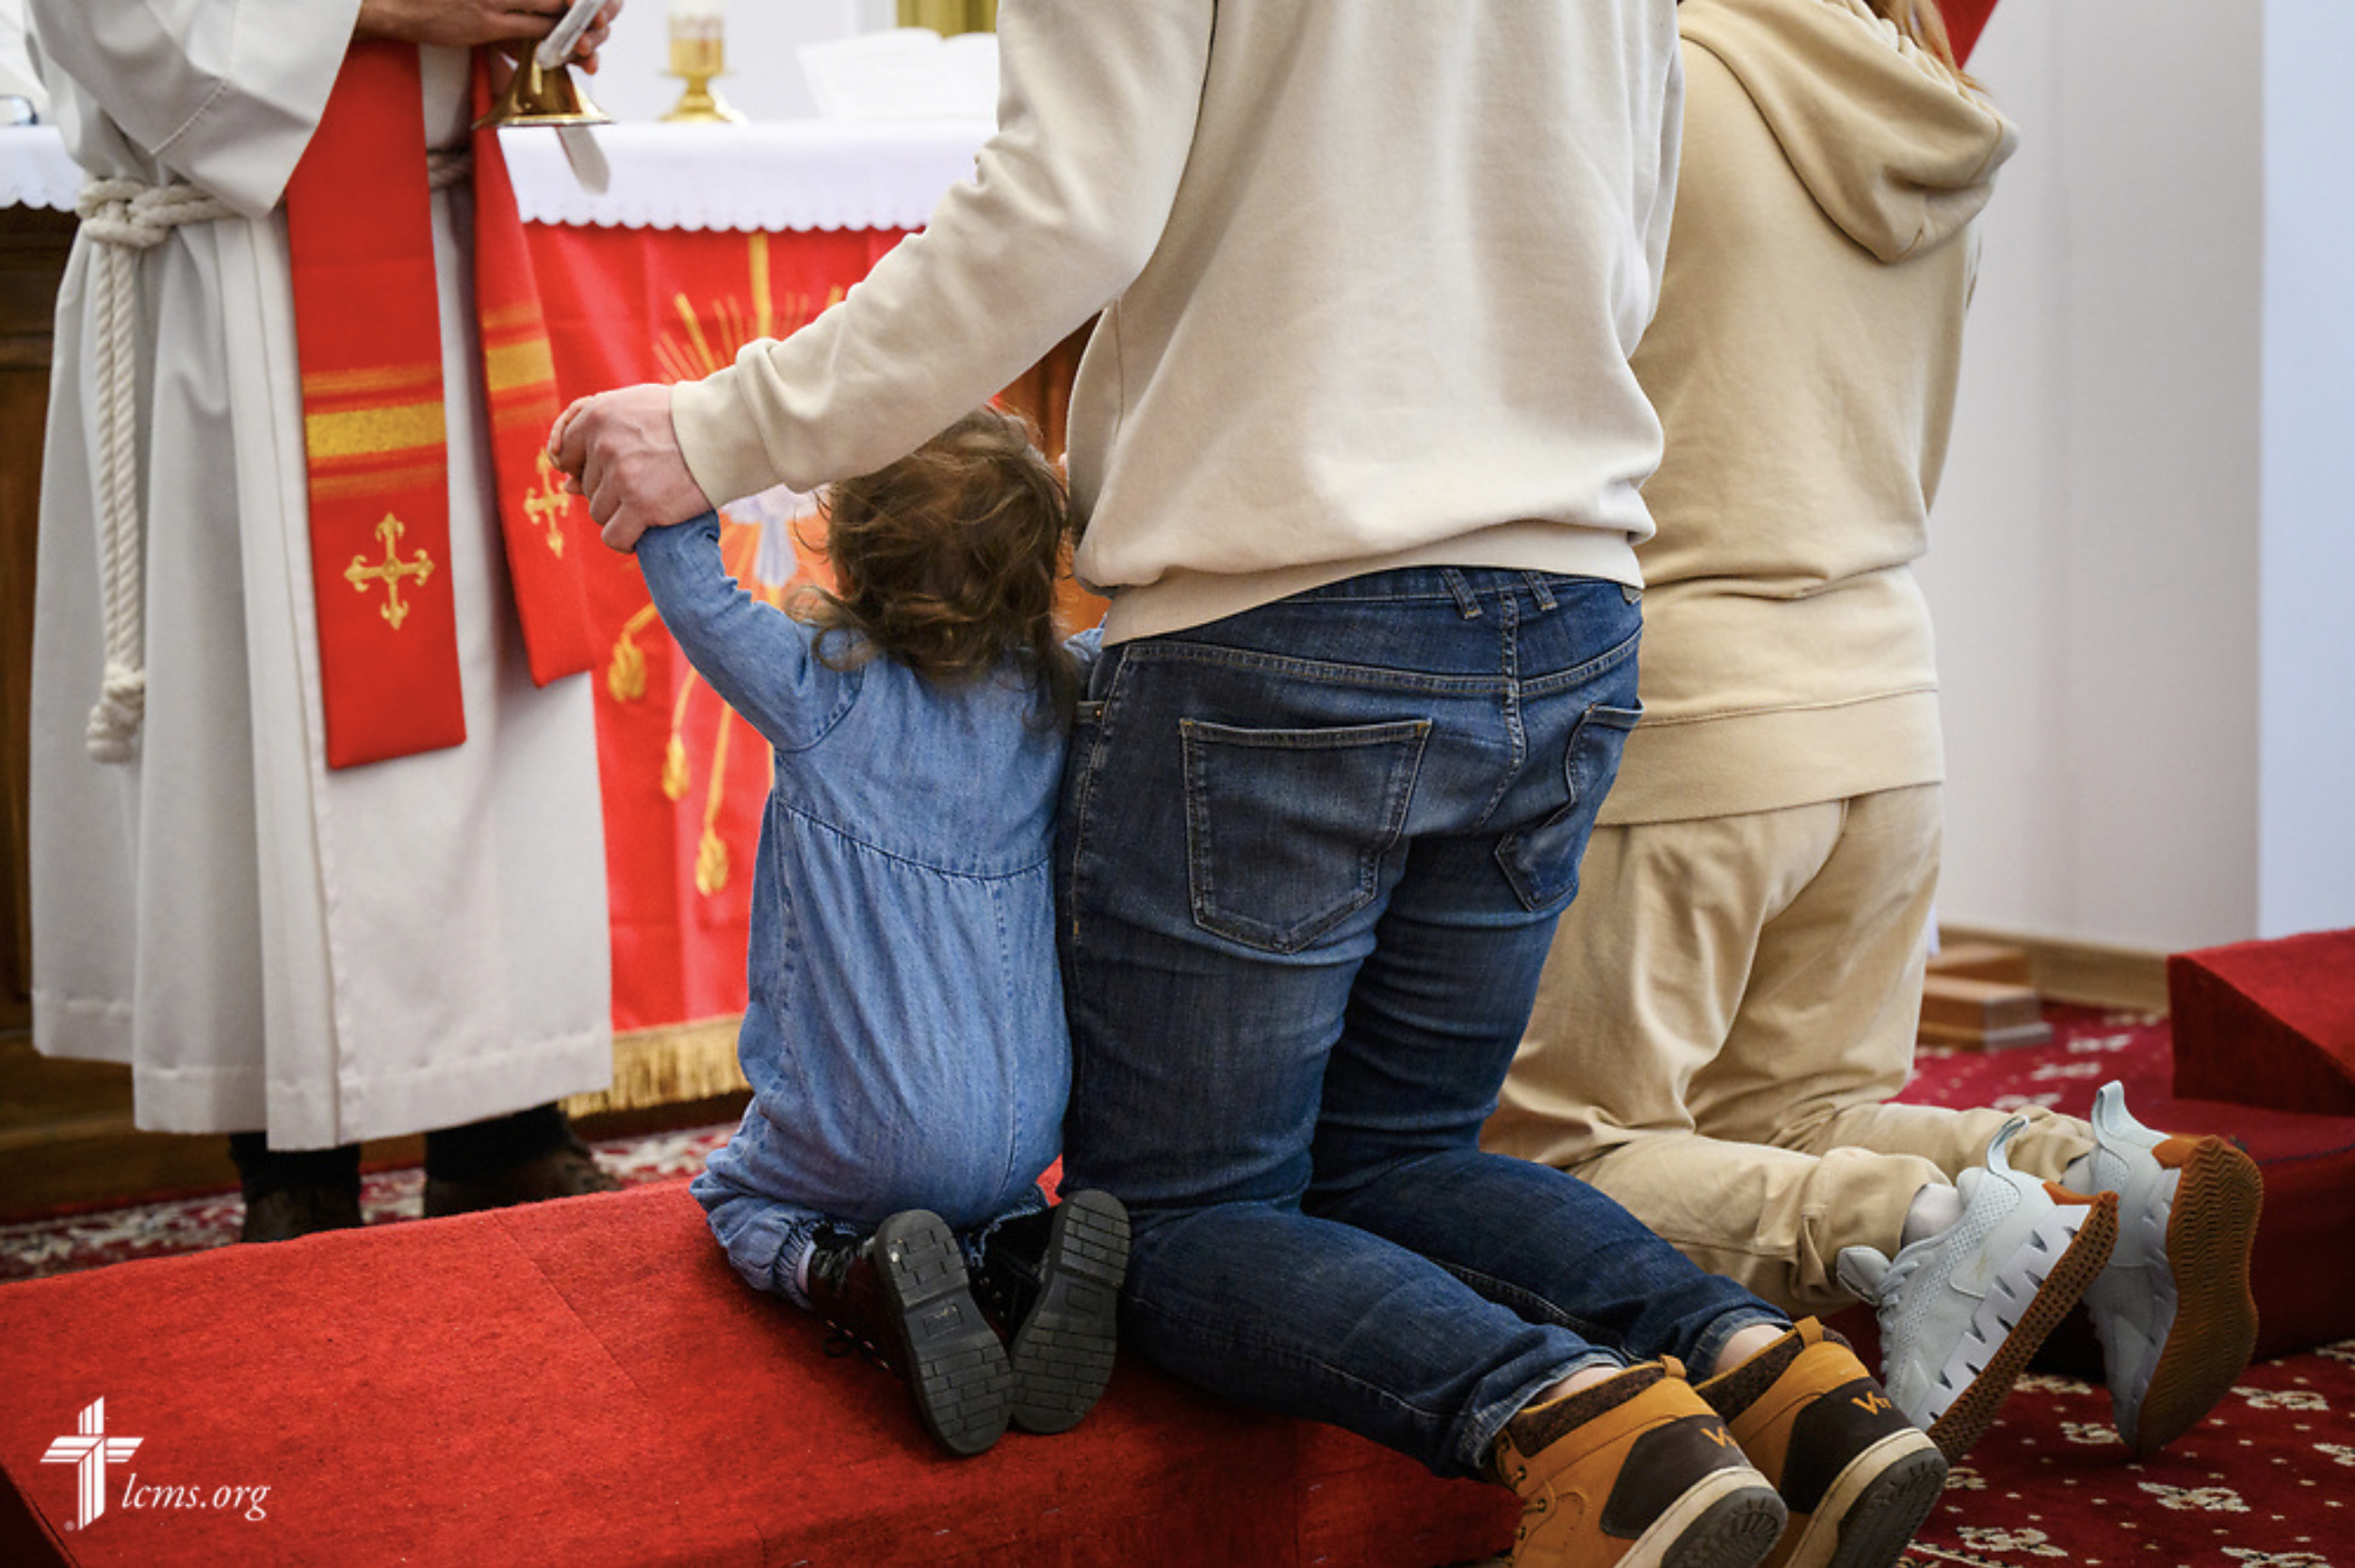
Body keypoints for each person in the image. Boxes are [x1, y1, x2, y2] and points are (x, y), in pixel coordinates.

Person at [553, 6, 1956, 1564]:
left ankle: (1582, 1429)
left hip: (1286, 618)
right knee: (1406, 1159)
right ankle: (1781, 1387)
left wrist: (723, 424)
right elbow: (1625, 202)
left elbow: (1066, 208)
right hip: (1566, 596)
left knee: (1175, 1220)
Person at [1481, 0, 2262, 1465]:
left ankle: (1924, 1225)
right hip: (1888, 702)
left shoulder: (1654, 82)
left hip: (1692, 708)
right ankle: (2089, 1173)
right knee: (1802, 1111)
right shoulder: (1921, 94)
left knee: (1553, 1152)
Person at [24, 0, 626, 1242]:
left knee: (481, 682)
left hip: (445, 225)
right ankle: (292, 1162)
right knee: (259, 716)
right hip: (236, 273)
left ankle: (501, 1127)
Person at [623, 405, 1130, 1459]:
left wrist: (693, 439)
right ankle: (1018, 1252)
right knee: (973, 1203)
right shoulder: (1063, 690)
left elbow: (685, 574)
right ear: (1040, 563)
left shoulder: (821, 689)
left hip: (863, 1133)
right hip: (1028, 1125)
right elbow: (1142, 624)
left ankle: (846, 1277)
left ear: (849, 549)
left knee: (738, 1198)